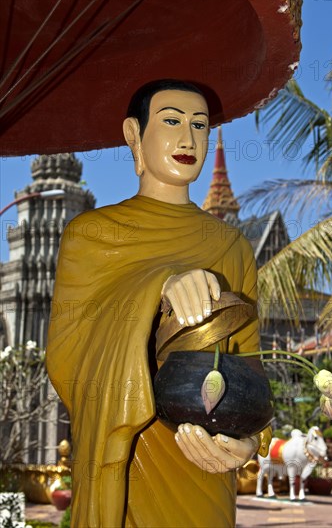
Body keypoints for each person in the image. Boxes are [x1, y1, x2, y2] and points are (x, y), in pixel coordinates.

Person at [46, 80, 272, 527]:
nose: (188, 138)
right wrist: (158, 285)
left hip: (204, 462)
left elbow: (249, 364)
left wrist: (248, 439)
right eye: (171, 121)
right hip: (127, 454)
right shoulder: (91, 234)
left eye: (200, 125)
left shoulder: (231, 245)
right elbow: (66, 359)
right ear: (134, 134)